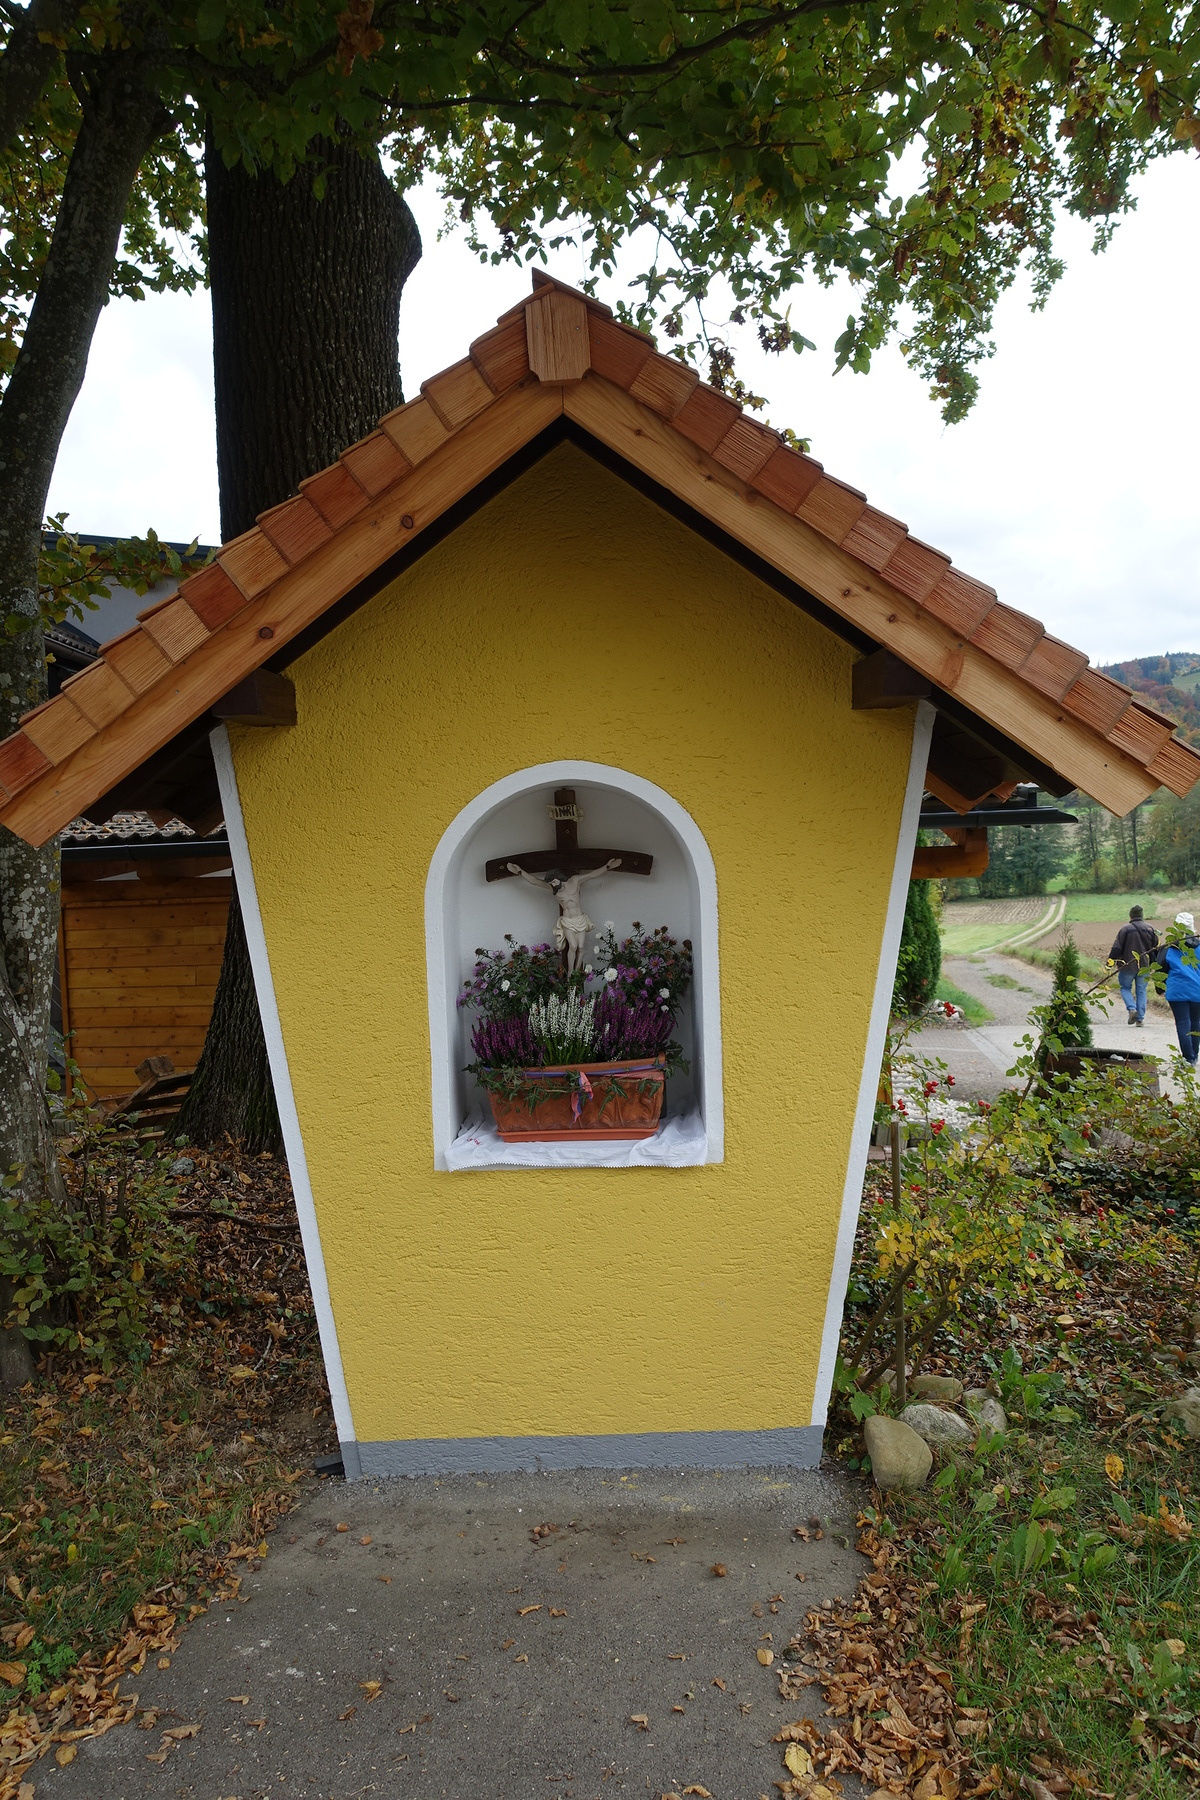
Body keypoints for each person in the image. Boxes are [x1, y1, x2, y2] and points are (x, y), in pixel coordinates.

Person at [507, 859, 622, 973]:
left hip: (580, 919)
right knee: (573, 946)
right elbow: (534, 881)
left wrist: (607, 866)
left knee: (581, 947)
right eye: (551, 883)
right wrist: (520, 871)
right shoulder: (553, 888)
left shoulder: (574, 881)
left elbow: (592, 875)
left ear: (559, 877)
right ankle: (570, 973)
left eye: (554, 881)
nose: (553, 884)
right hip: (567, 920)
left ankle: (577, 972)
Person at [1151, 912, 1200, 1069]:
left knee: (1183, 1022)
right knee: (1195, 1022)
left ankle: (1188, 1058)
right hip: (1197, 990)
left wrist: (1159, 989)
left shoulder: (1169, 947)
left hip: (1176, 990)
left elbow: (1160, 969)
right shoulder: (1199, 946)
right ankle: (1194, 1055)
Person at [1107, 904, 1158, 1026]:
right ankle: (1140, 1019)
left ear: (1130, 916)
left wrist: (1109, 963)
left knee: (1125, 988)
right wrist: (1154, 964)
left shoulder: (1125, 929)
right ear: (1142, 915)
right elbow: (1155, 948)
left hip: (1127, 965)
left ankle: (1132, 1009)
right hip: (1144, 966)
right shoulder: (1150, 929)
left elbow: (1117, 948)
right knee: (1141, 991)